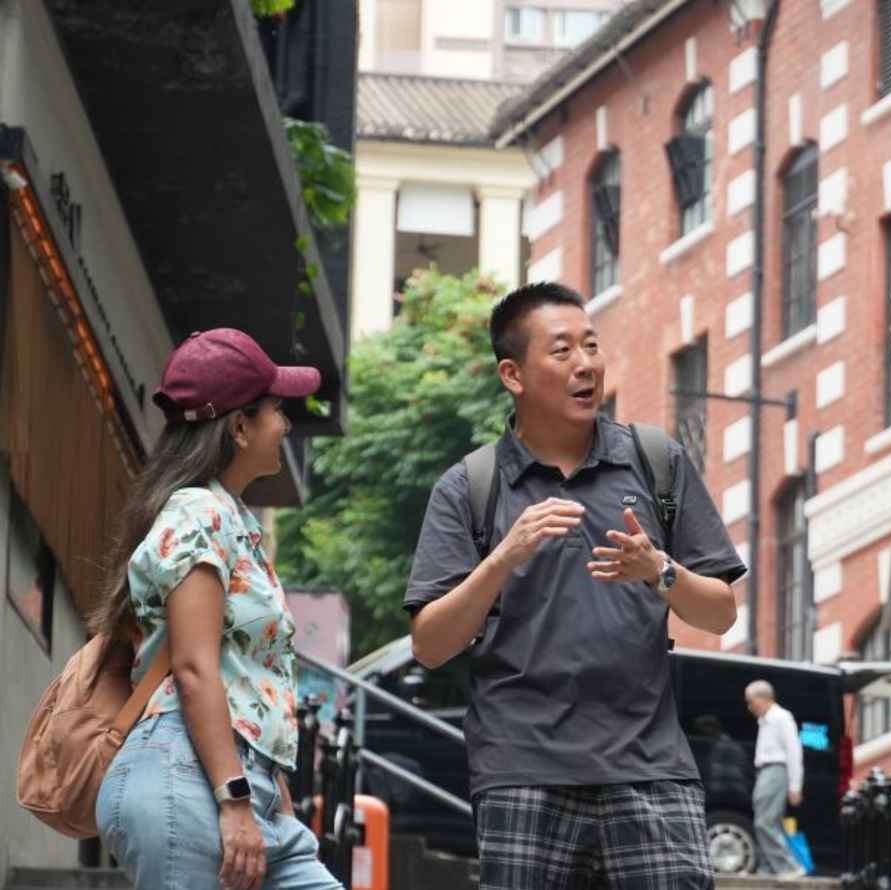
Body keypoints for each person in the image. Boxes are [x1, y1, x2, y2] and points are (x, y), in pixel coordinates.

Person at [405, 282, 746, 890]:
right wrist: (502, 558)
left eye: (591, 346)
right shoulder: (470, 487)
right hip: (522, 773)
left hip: (651, 771)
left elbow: (721, 613)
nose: (587, 364)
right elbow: (430, 644)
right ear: (513, 374)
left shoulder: (655, 461)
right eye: (562, 351)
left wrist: (659, 570)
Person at [92, 328, 341, 890]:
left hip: (244, 789)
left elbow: (243, 679)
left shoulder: (232, 518)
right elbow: (196, 667)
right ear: (239, 426)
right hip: (192, 780)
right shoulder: (197, 511)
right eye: (278, 409)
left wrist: (275, 805)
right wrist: (234, 801)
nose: (286, 425)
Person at [744, 681, 806, 878]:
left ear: (763, 699)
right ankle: (768, 868)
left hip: (776, 770)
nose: (750, 707)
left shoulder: (781, 717)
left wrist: (795, 785)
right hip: (765, 772)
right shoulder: (765, 721)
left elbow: (794, 751)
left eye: (751, 701)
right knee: (769, 820)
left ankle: (788, 866)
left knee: (765, 821)